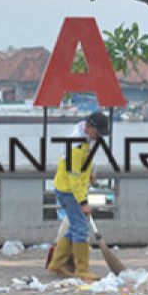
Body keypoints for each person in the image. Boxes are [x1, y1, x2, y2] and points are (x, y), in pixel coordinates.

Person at [46, 111, 110, 281]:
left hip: (70, 187)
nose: (99, 137)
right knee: (81, 227)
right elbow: (73, 177)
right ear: (89, 128)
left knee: (75, 226)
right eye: (98, 133)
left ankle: (57, 264)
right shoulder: (76, 145)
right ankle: (82, 269)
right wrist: (83, 202)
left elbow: (85, 162)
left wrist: (91, 172)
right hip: (69, 190)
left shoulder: (85, 136)